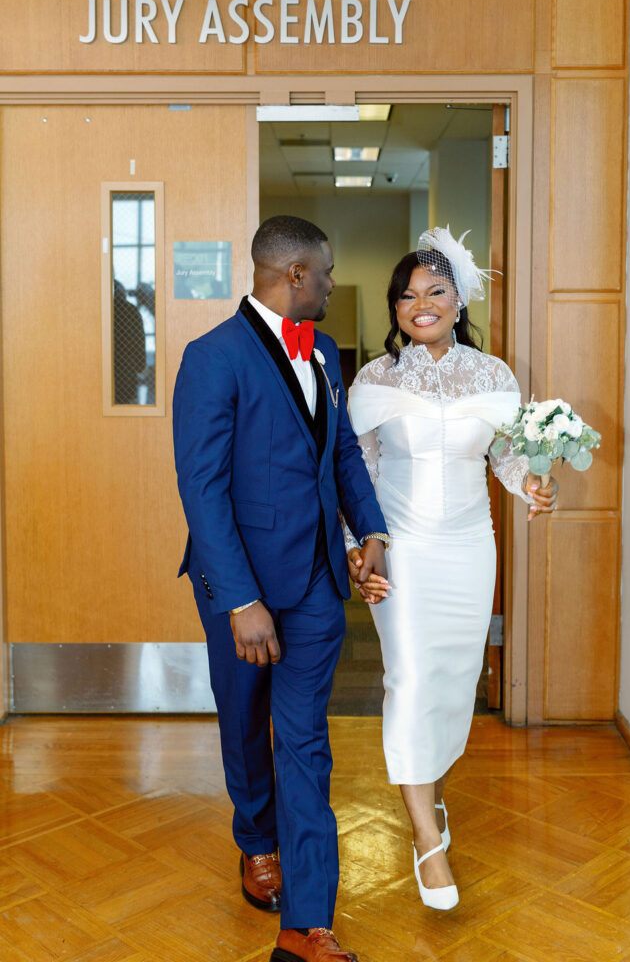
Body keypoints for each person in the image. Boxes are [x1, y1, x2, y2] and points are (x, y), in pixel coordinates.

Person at [173, 215, 388, 962]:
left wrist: (370, 532)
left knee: (304, 743)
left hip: (318, 584)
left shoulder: (326, 352)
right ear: (293, 274)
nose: (332, 284)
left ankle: (305, 922)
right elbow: (201, 491)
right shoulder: (212, 358)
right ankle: (255, 838)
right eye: (325, 273)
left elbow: (343, 459)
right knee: (243, 723)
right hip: (242, 587)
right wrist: (239, 600)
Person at [345, 227, 558, 911]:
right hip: (400, 546)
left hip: (470, 546)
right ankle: (424, 841)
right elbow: (359, 469)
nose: (421, 303)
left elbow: (504, 456)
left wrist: (531, 484)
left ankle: (429, 793)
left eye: (435, 290)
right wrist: (359, 543)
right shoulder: (375, 378)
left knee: (449, 680)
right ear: (396, 309)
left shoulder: (493, 375)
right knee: (407, 677)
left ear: (457, 299)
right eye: (407, 295)